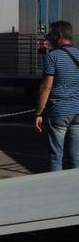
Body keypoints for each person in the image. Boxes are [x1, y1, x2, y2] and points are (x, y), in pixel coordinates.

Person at [35, 21, 79, 171]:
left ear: (58, 35)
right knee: (75, 155)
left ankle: (55, 183)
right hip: (77, 110)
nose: (48, 38)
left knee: (55, 155)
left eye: (49, 35)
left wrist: (39, 112)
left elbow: (46, 87)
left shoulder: (53, 57)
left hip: (59, 111)